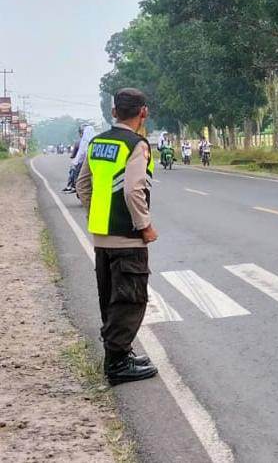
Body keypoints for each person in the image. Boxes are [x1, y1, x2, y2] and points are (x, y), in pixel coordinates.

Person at [75, 88, 159, 385]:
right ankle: (118, 363)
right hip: (127, 238)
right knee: (130, 300)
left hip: (101, 237)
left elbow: (83, 185)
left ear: (114, 112)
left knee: (110, 298)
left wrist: (97, 215)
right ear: (143, 112)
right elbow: (133, 190)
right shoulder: (136, 144)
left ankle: (120, 352)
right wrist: (144, 225)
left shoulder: (98, 142)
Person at [63, 124, 96, 193]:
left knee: (73, 170)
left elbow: (80, 154)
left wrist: (74, 160)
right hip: (95, 162)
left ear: (81, 133)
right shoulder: (97, 140)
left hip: (84, 162)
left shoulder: (80, 142)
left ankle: (71, 185)